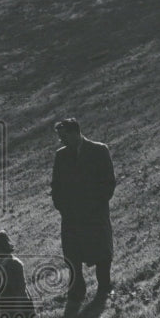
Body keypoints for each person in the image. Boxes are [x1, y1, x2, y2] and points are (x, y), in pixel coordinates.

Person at [51, 118, 116, 303]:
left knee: (102, 251)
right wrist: (62, 206)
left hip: (95, 213)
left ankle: (104, 287)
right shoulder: (61, 155)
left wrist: (98, 204)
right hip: (71, 215)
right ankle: (77, 291)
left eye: (64, 136)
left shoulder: (99, 150)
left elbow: (108, 182)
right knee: (72, 255)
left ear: (75, 132)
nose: (61, 141)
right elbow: (56, 185)